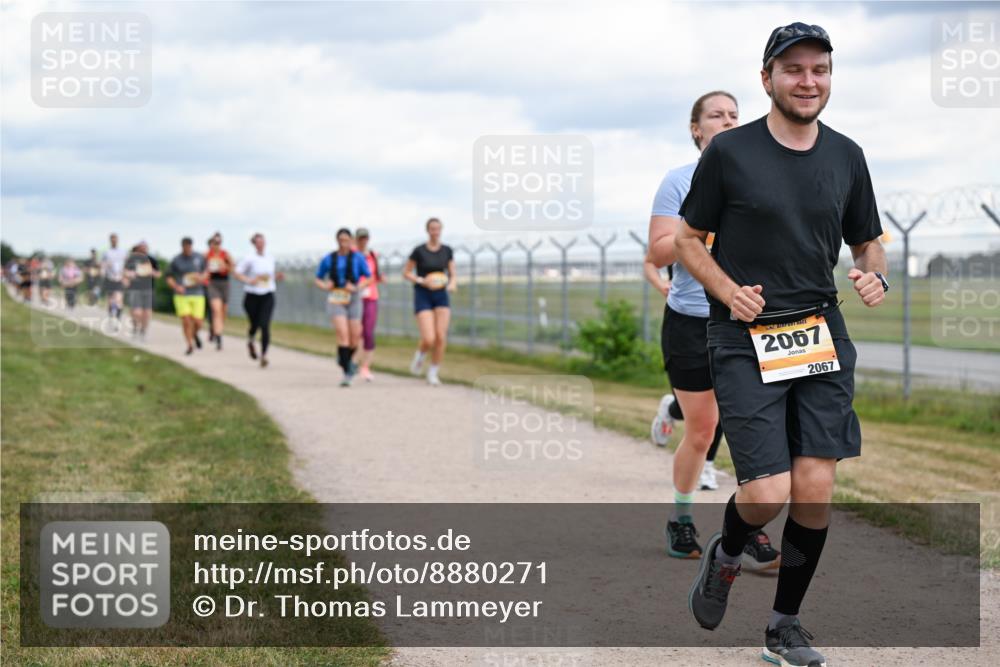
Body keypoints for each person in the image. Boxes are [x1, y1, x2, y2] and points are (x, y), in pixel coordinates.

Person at [678, 24, 887, 667]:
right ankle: (728, 551)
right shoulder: (731, 152)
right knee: (766, 493)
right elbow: (688, 241)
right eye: (793, 70)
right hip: (744, 336)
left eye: (819, 69)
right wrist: (727, 288)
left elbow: (868, 241)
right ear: (766, 77)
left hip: (818, 329)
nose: (808, 81)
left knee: (815, 486)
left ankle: (784, 625)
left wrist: (874, 271)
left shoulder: (848, 155)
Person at [646, 91, 780, 571]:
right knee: (702, 431)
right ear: (696, 129)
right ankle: (681, 518)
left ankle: (747, 530)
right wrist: (702, 230)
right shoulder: (679, 181)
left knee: (750, 430)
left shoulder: (760, 176)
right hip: (691, 319)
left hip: (747, 320)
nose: (727, 121)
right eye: (715, 116)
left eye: (734, 115)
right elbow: (660, 252)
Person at [314, 228, 371, 386]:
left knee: (354, 336)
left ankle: (344, 357)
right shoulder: (329, 259)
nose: (343, 243)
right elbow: (317, 279)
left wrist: (357, 287)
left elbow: (369, 278)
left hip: (353, 297)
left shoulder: (358, 258)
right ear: (337, 240)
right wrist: (325, 285)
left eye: (346, 240)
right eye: (341, 240)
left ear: (351, 240)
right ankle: (347, 371)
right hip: (336, 297)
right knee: (342, 334)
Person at [403, 217, 456, 386]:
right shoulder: (419, 251)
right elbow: (407, 272)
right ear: (428, 230)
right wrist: (421, 280)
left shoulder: (447, 250)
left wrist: (452, 283)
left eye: (438, 228)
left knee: (441, 336)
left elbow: (452, 273)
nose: (435, 231)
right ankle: (420, 355)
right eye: (432, 228)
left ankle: (433, 371)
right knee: (429, 338)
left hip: (441, 295)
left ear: (441, 230)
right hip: (423, 294)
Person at [234, 233, 284, 368]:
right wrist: (249, 280)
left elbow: (269, 275)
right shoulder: (249, 259)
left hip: (267, 294)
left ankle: (264, 355)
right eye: (258, 242)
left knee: (265, 324)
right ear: (254, 244)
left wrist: (276, 276)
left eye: (263, 242)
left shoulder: (270, 257)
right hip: (252, 296)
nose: (261, 244)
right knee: (255, 324)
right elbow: (237, 273)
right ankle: (250, 340)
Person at [166, 237, 209, 355]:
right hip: (182, 294)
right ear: (182, 247)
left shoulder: (199, 258)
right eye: (185, 246)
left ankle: (194, 334)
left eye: (189, 246)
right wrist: (176, 287)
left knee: (198, 322)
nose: (187, 249)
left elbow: (206, 272)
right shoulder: (176, 260)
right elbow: (168, 277)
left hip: (197, 293)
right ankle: (189, 345)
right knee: (186, 320)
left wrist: (201, 277)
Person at [354, 227, 383, 382]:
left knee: (368, 333)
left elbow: (376, 276)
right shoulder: (351, 255)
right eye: (360, 238)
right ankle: (353, 362)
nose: (363, 241)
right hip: (354, 297)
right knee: (356, 332)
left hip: (371, 296)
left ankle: (366, 366)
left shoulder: (373, 255)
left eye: (365, 238)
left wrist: (379, 278)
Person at [124, 241, 161, 340]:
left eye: (145, 248)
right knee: (136, 312)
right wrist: (130, 274)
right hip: (135, 288)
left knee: (147, 313)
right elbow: (125, 271)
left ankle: (143, 331)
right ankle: (135, 327)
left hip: (149, 289)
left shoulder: (152, 260)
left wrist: (152, 272)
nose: (143, 250)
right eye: (141, 248)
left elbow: (159, 274)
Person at [205, 232, 234, 350]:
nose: (216, 245)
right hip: (213, 283)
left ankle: (215, 329)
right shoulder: (206, 255)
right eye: (214, 243)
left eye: (218, 243)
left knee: (223, 312)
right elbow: (201, 268)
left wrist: (224, 266)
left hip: (224, 283)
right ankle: (219, 338)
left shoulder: (225, 254)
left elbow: (232, 268)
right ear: (210, 244)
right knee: (216, 310)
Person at [101, 233, 127, 321]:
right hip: (109, 278)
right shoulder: (106, 252)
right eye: (112, 240)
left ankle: (118, 317)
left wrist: (125, 276)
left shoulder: (123, 252)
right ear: (110, 241)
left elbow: (126, 264)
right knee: (110, 299)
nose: (114, 241)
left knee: (119, 298)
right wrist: (104, 269)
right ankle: (111, 315)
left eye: (115, 239)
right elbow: (102, 264)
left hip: (119, 278)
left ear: (117, 240)